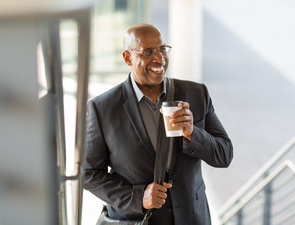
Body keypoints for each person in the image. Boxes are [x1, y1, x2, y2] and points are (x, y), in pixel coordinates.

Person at [84, 23, 233, 225]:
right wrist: (137, 197)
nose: (160, 58)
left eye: (162, 49)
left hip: (192, 218)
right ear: (128, 58)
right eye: (148, 52)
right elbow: (89, 173)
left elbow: (224, 155)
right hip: (141, 220)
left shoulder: (196, 94)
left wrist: (193, 133)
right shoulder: (103, 108)